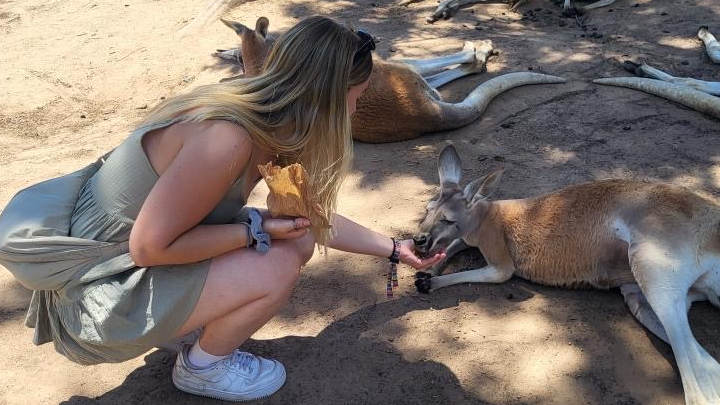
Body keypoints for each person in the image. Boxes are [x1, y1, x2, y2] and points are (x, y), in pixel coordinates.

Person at [0, 15, 444, 401]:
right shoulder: (228, 137)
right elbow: (149, 248)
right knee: (277, 261)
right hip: (92, 299)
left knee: (292, 236)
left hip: (115, 268)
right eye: (356, 96)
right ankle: (203, 368)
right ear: (327, 95)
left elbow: (310, 221)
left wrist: (392, 249)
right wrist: (256, 230)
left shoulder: (269, 116)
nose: (355, 108)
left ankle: (183, 327)